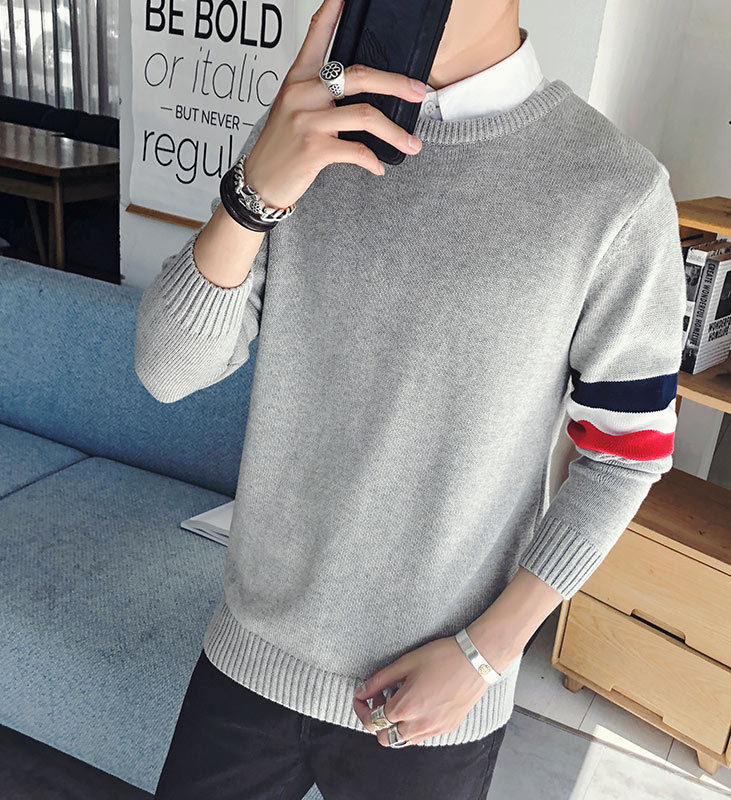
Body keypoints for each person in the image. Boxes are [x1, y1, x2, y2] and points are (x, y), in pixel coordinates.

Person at [135, 0, 686, 797]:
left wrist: (487, 655)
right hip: (251, 654)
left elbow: (624, 456)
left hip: (438, 694)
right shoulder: (307, 132)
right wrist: (255, 191)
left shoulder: (615, 190)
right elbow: (166, 371)